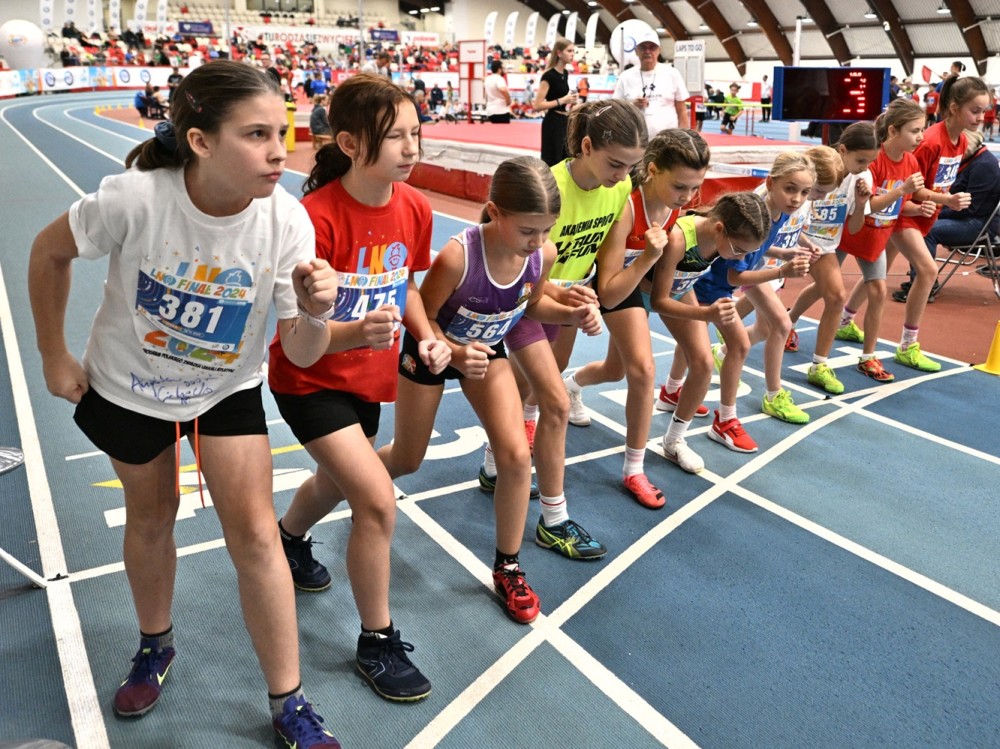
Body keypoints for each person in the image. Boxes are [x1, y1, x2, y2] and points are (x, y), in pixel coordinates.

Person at [27, 60, 342, 748]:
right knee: (151, 515)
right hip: (128, 387)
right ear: (200, 141)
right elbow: (47, 252)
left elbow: (307, 350)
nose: (278, 149)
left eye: (281, 131)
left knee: (257, 534)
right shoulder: (135, 198)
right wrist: (54, 352)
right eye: (256, 134)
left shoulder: (287, 222)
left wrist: (316, 313)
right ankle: (155, 643)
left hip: (226, 390)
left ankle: (289, 700)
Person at [267, 73, 450, 704]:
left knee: (342, 479)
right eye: (394, 136)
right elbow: (299, 336)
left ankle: (288, 537)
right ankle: (376, 640)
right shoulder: (310, 221)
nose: (410, 148)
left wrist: (426, 336)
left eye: (415, 134)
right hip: (308, 377)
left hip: (368, 378)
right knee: (375, 500)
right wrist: (356, 332)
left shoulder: (414, 207)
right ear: (348, 142)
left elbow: (408, 288)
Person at [378, 157, 601, 623]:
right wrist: (452, 353)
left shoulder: (543, 254)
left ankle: (509, 564)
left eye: (546, 231)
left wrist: (575, 315)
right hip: (434, 353)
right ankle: (342, 480)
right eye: (527, 232)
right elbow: (426, 317)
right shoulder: (459, 256)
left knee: (517, 455)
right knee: (406, 459)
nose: (536, 243)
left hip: (487, 352)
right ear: (495, 212)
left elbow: (531, 306)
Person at [509, 100, 648, 522]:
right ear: (586, 146)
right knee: (534, 385)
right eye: (616, 163)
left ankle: (518, 431)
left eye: (631, 166)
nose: (623, 175)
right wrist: (553, 290)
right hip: (530, 293)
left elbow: (607, 249)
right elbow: (513, 256)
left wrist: (590, 294)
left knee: (558, 365)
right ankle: (503, 456)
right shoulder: (548, 186)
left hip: (570, 292)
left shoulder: (621, 189)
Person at [566, 130, 711, 483]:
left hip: (649, 279)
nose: (688, 196)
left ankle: (673, 439)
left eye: (695, 187)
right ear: (653, 170)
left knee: (702, 360)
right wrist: (649, 256)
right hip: (620, 286)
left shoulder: (677, 203)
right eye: (681, 187)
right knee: (643, 371)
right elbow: (611, 294)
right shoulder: (627, 206)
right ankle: (634, 469)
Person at [849, 75, 987, 371]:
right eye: (975, 110)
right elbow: (908, 184)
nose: (981, 117)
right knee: (926, 271)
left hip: (922, 213)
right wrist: (936, 202)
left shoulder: (960, 140)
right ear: (954, 107)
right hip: (903, 214)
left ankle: (845, 319)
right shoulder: (929, 142)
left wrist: (947, 198)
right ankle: (908, 344)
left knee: (877, 267)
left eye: (984, 111)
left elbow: (937, 183)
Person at [695, 152, 817, 426]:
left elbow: (758, 248)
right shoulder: (759, 213)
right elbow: (736, 274)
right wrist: (782, 270)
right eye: (790, 189)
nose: (797, 199)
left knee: (767, 328)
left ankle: (677, 388)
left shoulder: (783, 211)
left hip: (742, 272)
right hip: (718, 280)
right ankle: (767, 397)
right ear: (772, 183)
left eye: (805, 192)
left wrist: (782, 252)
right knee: (778, 325)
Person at [650, 192, 771, 456]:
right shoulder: (679, 239)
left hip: (680, 290)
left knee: (703, 363)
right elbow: (658, 301)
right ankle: (573, 386)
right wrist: (707, 314)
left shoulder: (721, 240)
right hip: (643, 294)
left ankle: (674, 440)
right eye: (739, 250)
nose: (739, 258)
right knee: (620, 369)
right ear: (720, 229)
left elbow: (684, 285)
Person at [836, 98, 928, 383]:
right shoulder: (873, 160)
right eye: (915, 131)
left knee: (878, 291)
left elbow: (898, 206)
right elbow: (869, 205)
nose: (921, 136)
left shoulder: (910, 161)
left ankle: (867, 357)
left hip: (876, 238)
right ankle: (791, 323)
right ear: (892, 131)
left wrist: (919, 205)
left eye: (922, 129)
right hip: (847, 232)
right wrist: (902, 192)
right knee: (822, 289)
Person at [785, 125, 879, 395]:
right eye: (860, 161)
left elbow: (854, 229)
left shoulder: (863, 180)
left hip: (823, 247)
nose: (864, 168)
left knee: (833, 294)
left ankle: (818, 364)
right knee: (761, 290)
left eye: (870, 162)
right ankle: (729, 336)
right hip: (794, 237)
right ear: (842, 150)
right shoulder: (818, 169)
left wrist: (861, 204)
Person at [899, 128, 1000, 293]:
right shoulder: (971, 160)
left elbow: (970, 208)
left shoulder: (984, 165)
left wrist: (935, 212)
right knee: (920, 220)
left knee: (927, 230)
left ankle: (924, 284)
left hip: (980, 224)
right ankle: (922, 280)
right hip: (968, 216)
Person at [611, 28, 689, 137]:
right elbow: (615, 109)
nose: (648, 51)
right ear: (636, 51)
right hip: (635, 141)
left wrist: (684, 139)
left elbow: (682, 111)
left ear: (659, 50)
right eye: (643, 47)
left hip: (668, 141)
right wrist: (632, 105)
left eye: (652, 47)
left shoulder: (672, 74)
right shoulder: (625, 77)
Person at [534, 37, 579, 166]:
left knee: (566, 158)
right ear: (559, 53)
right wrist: (562, 100)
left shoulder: (565, 73)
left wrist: (571, 102)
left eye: (573, 51)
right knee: (553, 160)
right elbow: (537, 105)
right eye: (569, 51)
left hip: (565, 121)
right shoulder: (549, 75)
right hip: (552, 123)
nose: (572, 54)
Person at [484, 59, 512, 124]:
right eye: (503, 68)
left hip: (490, 110)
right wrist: (508, 100)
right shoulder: (499, 78)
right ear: (499, 69)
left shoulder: (487, 79)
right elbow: (503, 90)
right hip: (501, 110)